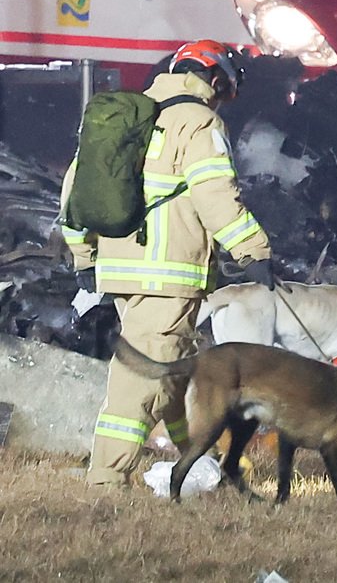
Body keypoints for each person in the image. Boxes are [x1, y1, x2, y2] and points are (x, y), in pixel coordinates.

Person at [61, 39, 275, 487]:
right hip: (168, 276)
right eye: (224, 91)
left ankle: (198, 463)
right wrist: (253, 251)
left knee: (174, 371)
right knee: (139, 381)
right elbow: (215, 195)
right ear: (216, 80)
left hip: (120, 270)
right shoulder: (198, 122)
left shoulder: (124, 117)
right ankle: (105, 480)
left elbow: (74, 193)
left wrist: (85, 256)